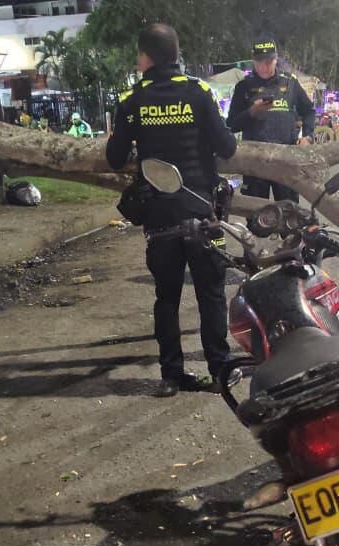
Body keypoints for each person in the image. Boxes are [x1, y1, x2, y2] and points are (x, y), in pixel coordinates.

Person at [106, 23, 238, 398]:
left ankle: (171, 375)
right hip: (202, 212)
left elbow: (114, 157)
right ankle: (220, 371)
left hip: (159, 216)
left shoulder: (132, 99)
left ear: (146, 57)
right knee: (211, 294)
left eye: (139, 55)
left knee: (166, 298)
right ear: (175, 55)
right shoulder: (198, 92)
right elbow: (227, 147)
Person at [226, 39, 315, 202]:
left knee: (290, 210)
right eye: (259, 62)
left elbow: (309, 111)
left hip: (286, 160)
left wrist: (308, 137)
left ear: (276, 59)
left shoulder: (290, 83)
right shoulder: (243, 87)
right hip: (254, 161)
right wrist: (252, 112)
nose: (264, 67)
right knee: (256, 212)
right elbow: (231, 125)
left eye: (269, 61)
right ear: (253, 61)